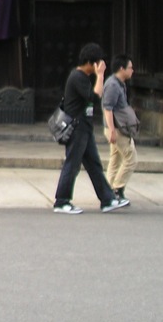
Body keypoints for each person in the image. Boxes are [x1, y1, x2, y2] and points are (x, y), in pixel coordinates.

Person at [53, 42, 130, 214]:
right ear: (90, 62)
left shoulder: (82, 77)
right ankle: (61, 201)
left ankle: (107, 199)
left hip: (84, 128)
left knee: (94, 164)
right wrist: (100, 75)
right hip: (77, 128)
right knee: (72, 165)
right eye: (97, 62)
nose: (100, 66)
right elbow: (94, 96)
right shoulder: (78, 77)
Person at [103, 54, 137, 202]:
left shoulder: (119, 84)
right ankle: (118, 188)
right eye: (130, 67)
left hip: (118, 127)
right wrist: (111, 129)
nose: (132, 70)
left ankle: (108, 190)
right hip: (117, 128)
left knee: (115, 159)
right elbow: (107, 108)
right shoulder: (112, 85)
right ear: (121, 68)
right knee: (131, 158)